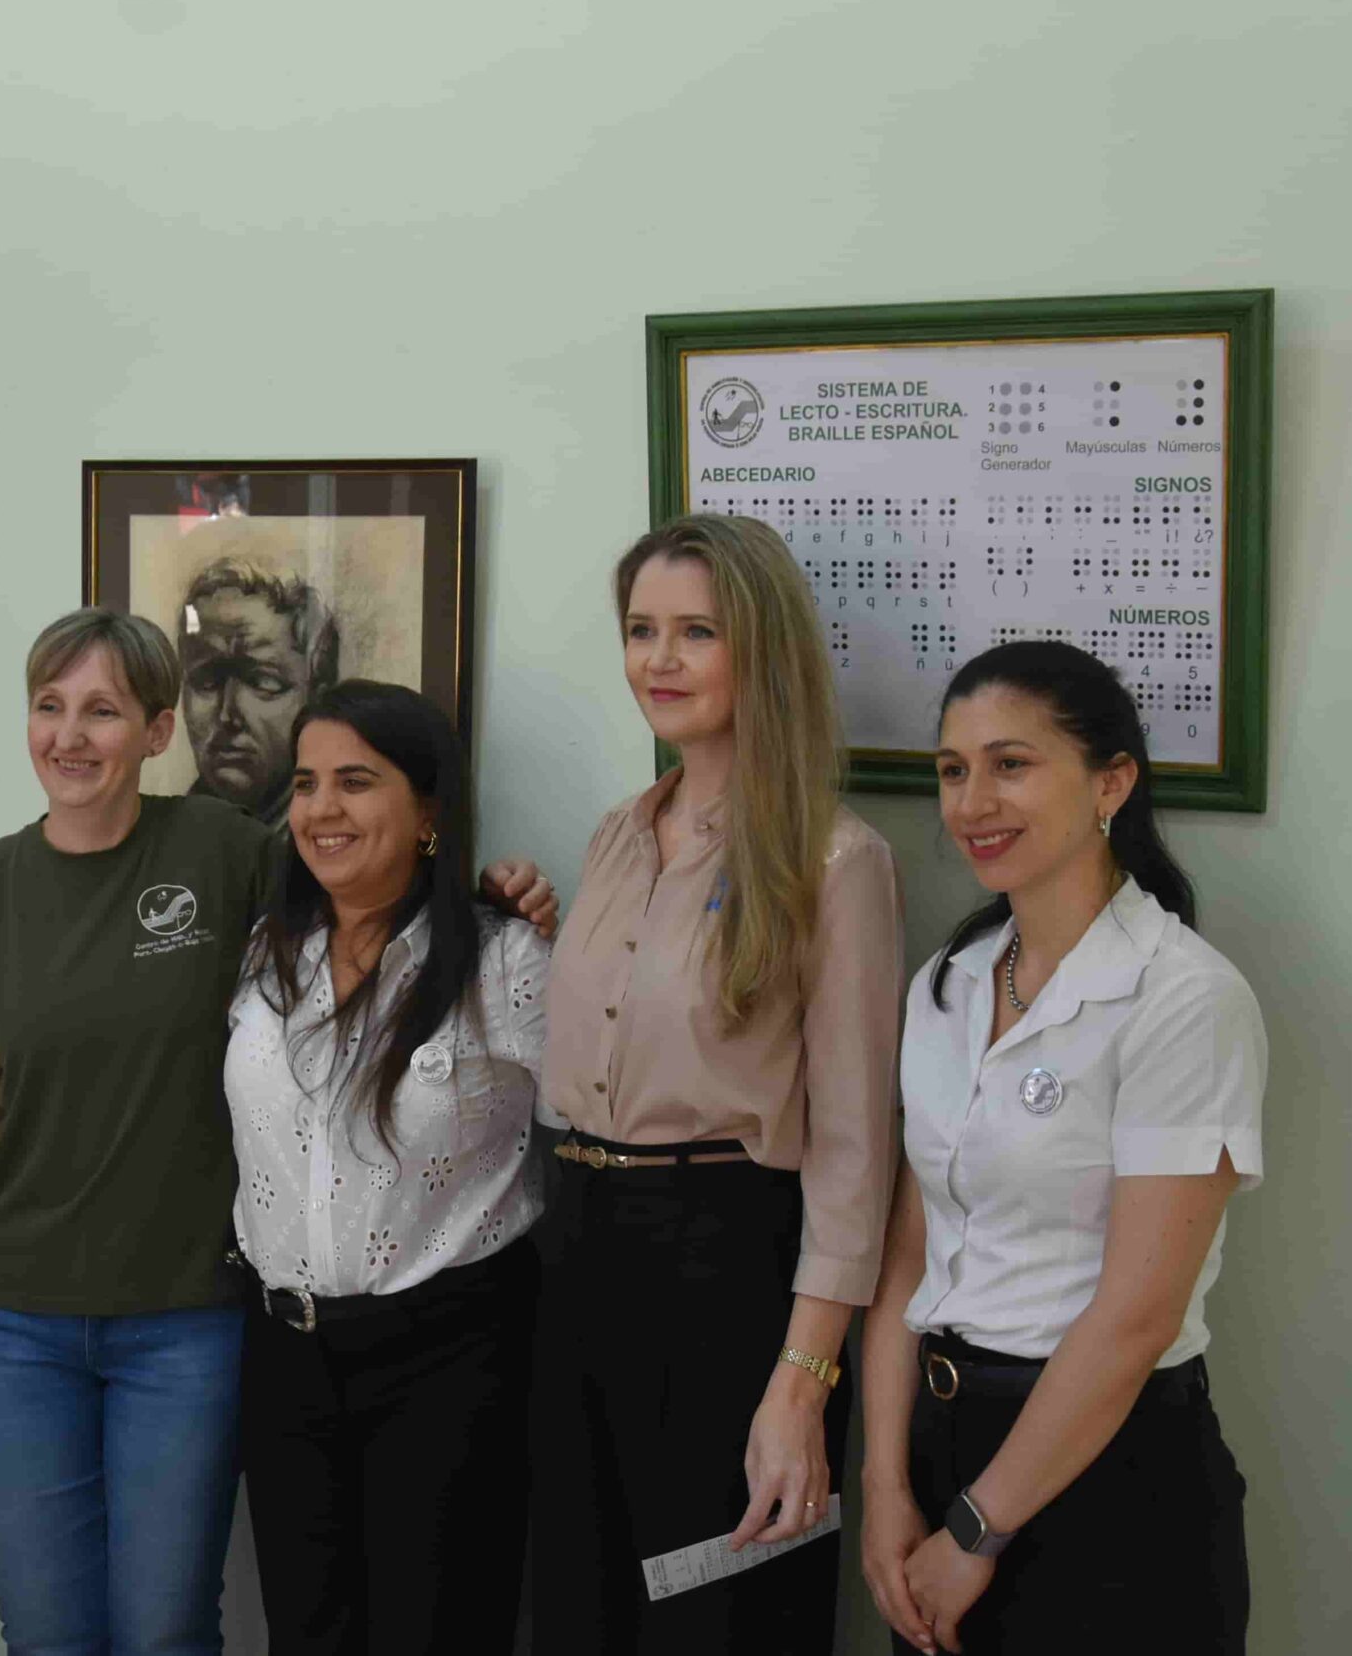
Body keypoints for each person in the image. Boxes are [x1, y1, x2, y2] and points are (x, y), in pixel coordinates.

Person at [0, 609, 549, 1656]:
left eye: (102, 710)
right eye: (49, 707)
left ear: (159, 732)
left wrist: (493, 890)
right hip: (17, 1315)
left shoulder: (225, 852)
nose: (70, 735)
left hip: (188, 1316)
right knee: (46, 1629)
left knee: (164, 1627)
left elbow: (369, 888)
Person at [532, 513, 904, 1653]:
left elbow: (853, 1149)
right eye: (642, 630)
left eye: (696, 631)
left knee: (717, 1613)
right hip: (577, 1247)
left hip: (727, 1266)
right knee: (587, 1604)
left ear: (762, 649)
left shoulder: (834, 860)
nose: (660, 659)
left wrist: (801, 1382)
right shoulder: (611, 835)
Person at [858, 641, 1263, 1656]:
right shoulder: (944, 986)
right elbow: (910, 1254)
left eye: (1011, 763)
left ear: (1111, 782)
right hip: (939, 1445)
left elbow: (1133, 1317)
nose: (971, 800)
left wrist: (977, 1528)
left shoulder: (1183, 996)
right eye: (952, 770)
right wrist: (884, 1485)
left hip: (1106, 1476)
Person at [227, 680, 549, 1656]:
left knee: (439, 1632)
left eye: (356, 781)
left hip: (451, 1356)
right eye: (307, 783)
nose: (322, 809)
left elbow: (608, 1129)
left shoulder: (506, 962)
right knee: (307, 1634)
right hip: (284, 1355)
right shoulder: (265, 956)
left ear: (429, 812)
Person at [179, 556, 341, 824]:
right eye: (207, 682)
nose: (227, 715)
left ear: (317, 698)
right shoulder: (168, 841)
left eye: (264, 683)